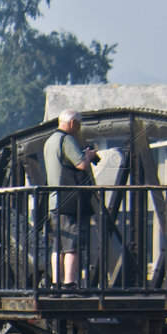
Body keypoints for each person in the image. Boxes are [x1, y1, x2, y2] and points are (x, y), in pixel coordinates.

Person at [42, 109, 100, 289]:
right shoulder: (66, 140)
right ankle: (69, 283)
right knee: (72, 244)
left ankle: (55, 282)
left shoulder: (50, 141)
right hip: (69, 201)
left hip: (54, 200)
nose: (79, 128)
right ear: (73, 123)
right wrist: (89, 155)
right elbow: (81, 164)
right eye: (79, 124)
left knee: (57, 245)